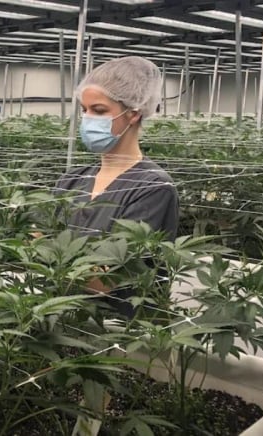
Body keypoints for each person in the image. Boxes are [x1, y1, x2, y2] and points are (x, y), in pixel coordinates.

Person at [54, 56, 179, 317]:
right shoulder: (72, 179)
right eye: (84, 110)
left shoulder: (154, 187)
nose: (87, 119)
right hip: (62, 323)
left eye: (99, 111)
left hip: (123, 336)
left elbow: (103, 281)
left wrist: (41, 253)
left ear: (133, 113)